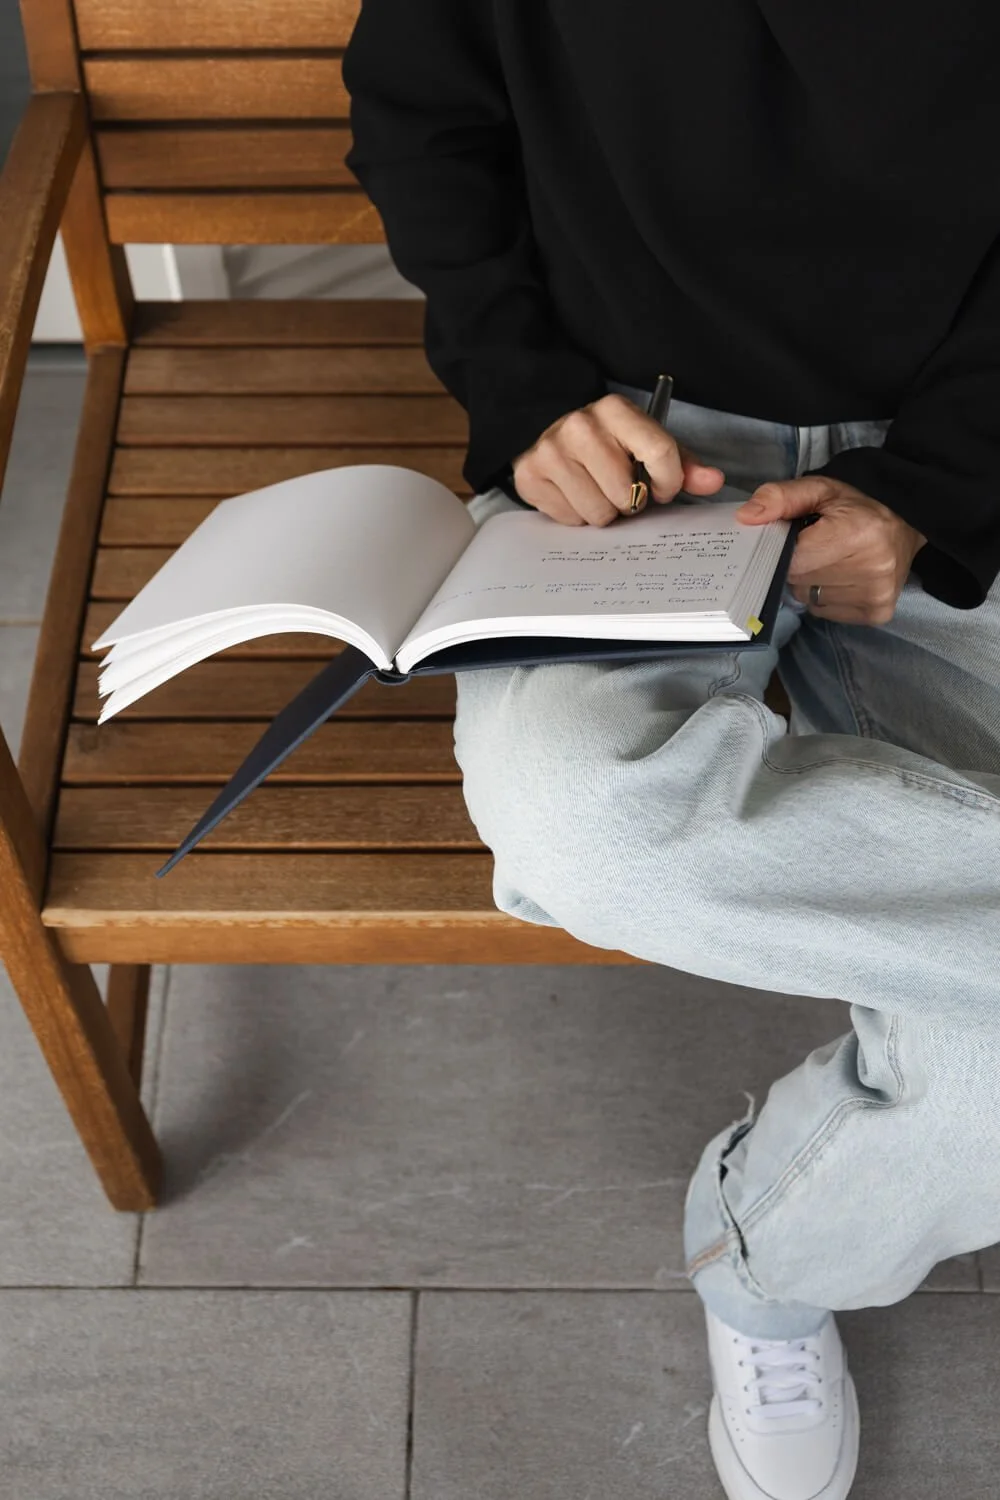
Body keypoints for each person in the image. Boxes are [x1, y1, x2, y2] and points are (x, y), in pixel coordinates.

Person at [342, 5, 1000, 1496]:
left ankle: (763, 1254)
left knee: (994, 1084)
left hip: (960, 454)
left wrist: (940, 488)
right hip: (628, 461)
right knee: (581, 825)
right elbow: (418, 109)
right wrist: (523, 395)